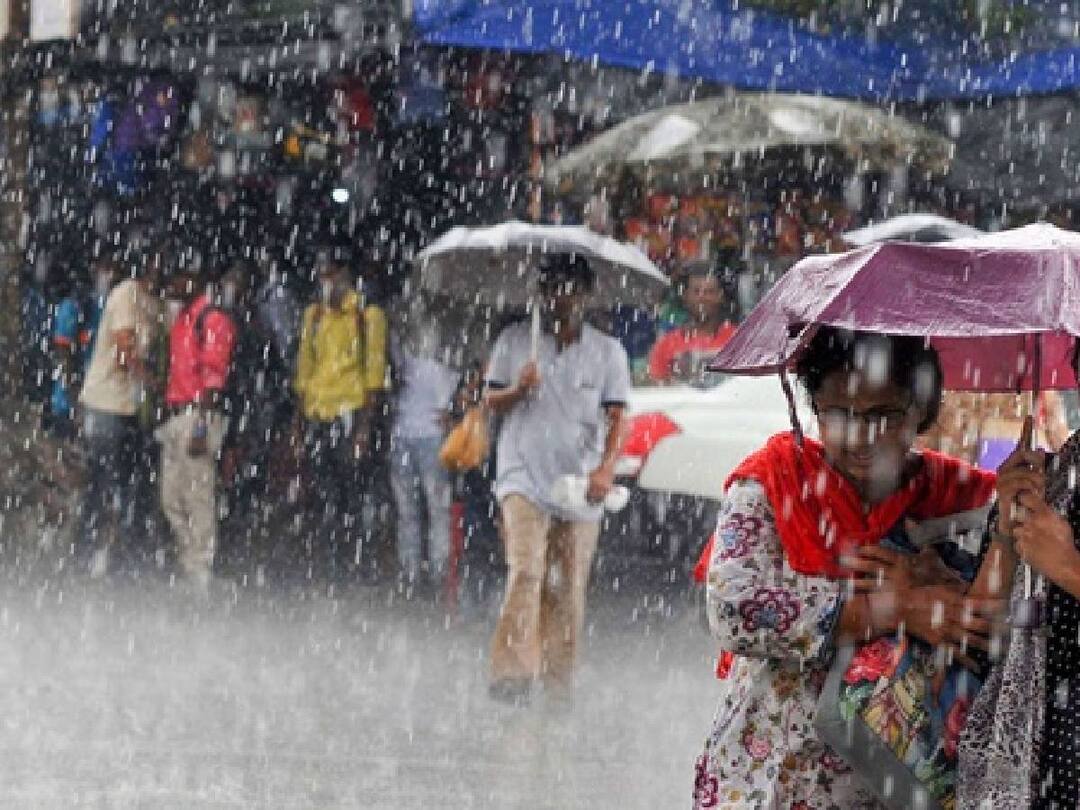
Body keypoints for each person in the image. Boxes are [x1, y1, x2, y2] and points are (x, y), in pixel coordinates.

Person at [693, 327, 1000, 810]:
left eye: (884, 415)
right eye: (840, 414)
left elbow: (1007, 612)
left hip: (899, 775)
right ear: (813, 408)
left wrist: (942, 586)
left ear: (921, 411)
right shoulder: (774, 484)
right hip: (776, 769)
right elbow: (736, 610)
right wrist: (891, 609)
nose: (861, 436)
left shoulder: (958, 499)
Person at [484, 253, 630, 706]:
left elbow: (618, 416)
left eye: (569, 289)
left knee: (568, 586)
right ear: (541, 294)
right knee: (526, 570)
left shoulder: (609, 352)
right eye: (552, 289)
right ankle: (511, 674)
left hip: (580, 481)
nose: (560, 299)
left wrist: (606, 469)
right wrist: (518, 388)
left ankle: (557, 677)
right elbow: (491, 400)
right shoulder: (514, 341)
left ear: (584, 296)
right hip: (521, 473)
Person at [958, 374, 1080, 807]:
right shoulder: (1051, 480)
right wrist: (1007, 537)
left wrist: (1069, 569)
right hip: (1039, 760)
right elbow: (977, 625)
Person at [293, 244, 388, 583]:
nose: (326, 281)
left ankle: (353, 565)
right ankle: (329, 565)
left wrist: (363, 431)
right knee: (323, 494)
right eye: (322, 275)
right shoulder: (314, 317)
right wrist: (298, 428)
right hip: (319, 416)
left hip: (350, 418)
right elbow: (303, 374)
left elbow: (374, 379)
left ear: (346, 276)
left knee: (352, 496)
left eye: (332, 274)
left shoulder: (367, 317)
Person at [77, 235, 162, 576]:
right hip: (106, 403)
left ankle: (118, 557)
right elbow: (126, 351)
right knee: (104, 482)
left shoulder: (149, 301)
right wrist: (155, 384)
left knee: (127, 483)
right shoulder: (125, 294)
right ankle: (88, 553)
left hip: (128, 407)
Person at [159, 253, 237, 592]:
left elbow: (214, 375)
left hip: (196, 415)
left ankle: (200, 568)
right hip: (177, 414)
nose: (175, 284)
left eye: (181, 277)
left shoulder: (212, 318)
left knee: (198, 495)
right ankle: (190, 561)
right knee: (171, 496)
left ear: (195, 279)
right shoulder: (184, 319)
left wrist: (203, 426)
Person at [389, 296, 460, 594]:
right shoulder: (413, 356)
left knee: (420, 510)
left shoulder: (409, 357)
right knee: (428, 509)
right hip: (417, 435)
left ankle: (421, 574)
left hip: (418, 436)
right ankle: (425, 573)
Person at [923, 391, 1070, 469]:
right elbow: (1062, 448)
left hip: (960, 483)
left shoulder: (955, 380)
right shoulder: (1035, 383)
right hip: (1014, 484)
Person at [648, 261, 737, 384]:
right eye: (696, 291)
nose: (702, 297)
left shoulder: (738, 340)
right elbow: (657, 390)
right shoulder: (665, 345)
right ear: (685, 296)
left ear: (720, 296)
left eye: (709, 292)